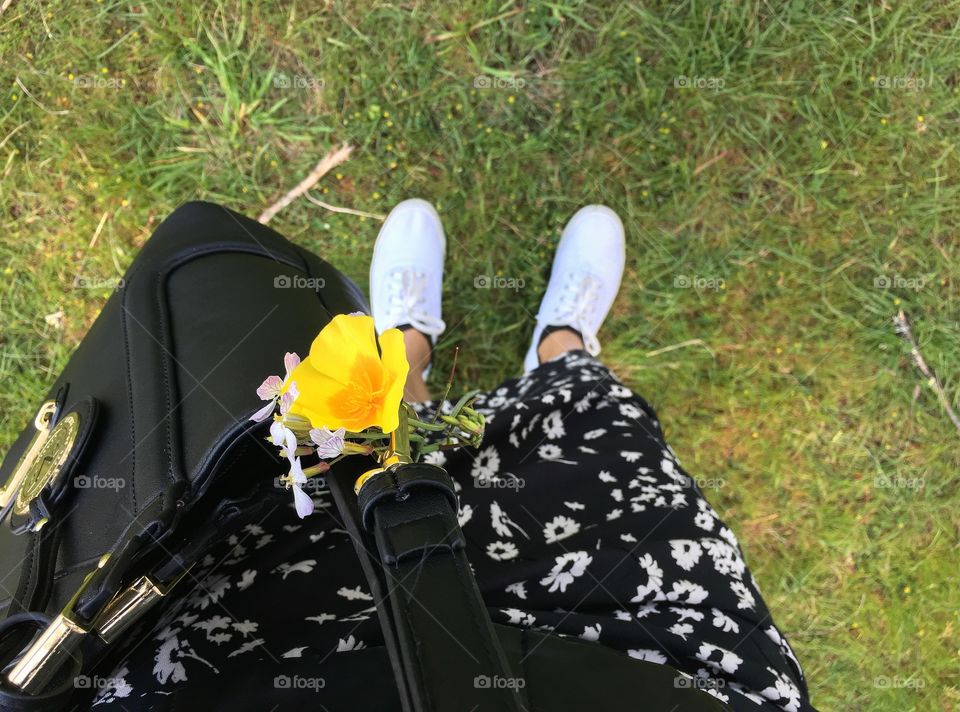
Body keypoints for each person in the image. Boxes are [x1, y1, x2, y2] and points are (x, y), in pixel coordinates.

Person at [93, 200, 814, 711]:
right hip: (632, 668)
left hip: (274, 650)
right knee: (607, 467)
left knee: (375, 457)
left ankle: (406, 344)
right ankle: (563, 348)